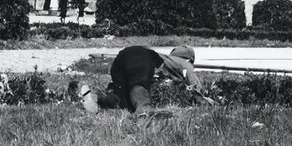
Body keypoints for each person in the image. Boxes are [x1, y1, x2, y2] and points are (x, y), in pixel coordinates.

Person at [78, 44, 214, 116]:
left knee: (123, 100)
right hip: (141, 56)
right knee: (139, 88)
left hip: (120, 60)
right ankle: (144, 113)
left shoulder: (169, 60)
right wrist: (205, 99)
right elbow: (195, 84)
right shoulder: (185, 64)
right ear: (189, 59)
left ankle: (95, 97)